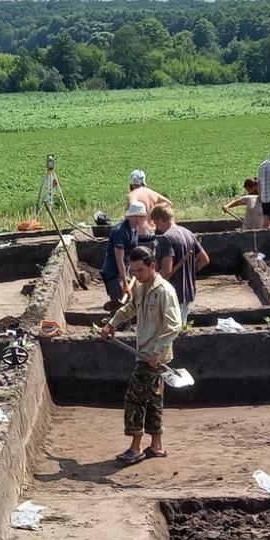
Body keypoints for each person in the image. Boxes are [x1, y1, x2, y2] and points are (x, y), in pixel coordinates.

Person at [99, 245, 182, 464]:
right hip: (144, 353)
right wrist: (111, 324)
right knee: (153, 400)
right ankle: (156, 446)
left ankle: (135, 449)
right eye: (133, 271)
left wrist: (157, 352)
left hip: (153, 357)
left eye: (140, 271)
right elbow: (129, 309)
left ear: (152, 266)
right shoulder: (142, 288)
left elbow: (174, 326)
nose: (136, 275)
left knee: (134, 399)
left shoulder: (165, 291)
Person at [149, 200, 209, 325]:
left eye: (155, 222)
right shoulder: (188, 233)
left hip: (173, 294)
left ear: (160, 219)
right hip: (188, 291)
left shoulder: (167, 238)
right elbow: (204, 260)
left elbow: (166, 270)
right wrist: (191, 270)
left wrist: (151, 285)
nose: (156, 226)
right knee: (180, 329)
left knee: (169, 332)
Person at [100, 176, 156, 305]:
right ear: (132, 216)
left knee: (132, 301)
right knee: (120, 300)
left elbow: (132, 255)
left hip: (125, 270)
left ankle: (126, 323)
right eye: (138, 217)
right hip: (114, 273)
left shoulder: (134, 229)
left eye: (142, 217)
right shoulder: (120, 231)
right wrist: (125, 282)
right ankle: (116, 323)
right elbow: (119, 259)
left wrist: (134, 274)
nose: (140, 220)